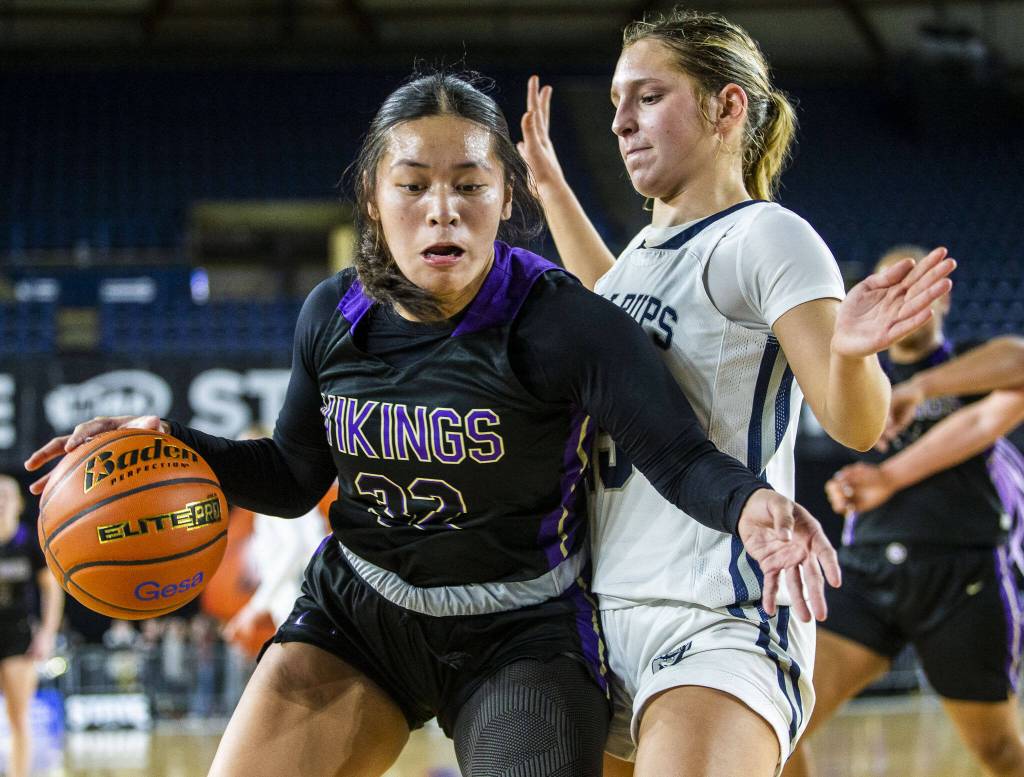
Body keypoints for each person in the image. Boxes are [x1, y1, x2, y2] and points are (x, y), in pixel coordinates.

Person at [25, 71, 838, 777]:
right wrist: (170, 445)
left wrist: (749, 505)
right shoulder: (333, 314)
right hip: (360, 616)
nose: (442, 209)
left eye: (470, 184)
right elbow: (293, 475)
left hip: (520, 631)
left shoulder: (562, 322)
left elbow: (678, 452)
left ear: (505, 196)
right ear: (374, 199)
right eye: (412, 184)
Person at [516, 11, 956, 777]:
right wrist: (552, 186)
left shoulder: (765, 237)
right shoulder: (648, 254)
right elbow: (611, 310)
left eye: (648, 97)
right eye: (617, 101)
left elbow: (857, 422)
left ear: (727, 107)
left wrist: (852, 358)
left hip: (718, 614)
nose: (620, 122)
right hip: (601, 614)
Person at [784, 255, 1024, 777]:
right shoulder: (859, 377)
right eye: (894, 287)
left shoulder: (970, 363)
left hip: (964, 575)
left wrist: (923, 388)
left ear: (943, 297)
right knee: (784, 721)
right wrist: (847, 487)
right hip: (868, 570)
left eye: (920, 288)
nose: (908, 301)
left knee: (1001, 752)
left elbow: (1019, 361)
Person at [0, 474, 63, 777]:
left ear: (18, 503)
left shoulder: (29, 543)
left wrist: (48, 633)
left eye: (6, 495)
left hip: (18, 636)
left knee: (18, 718)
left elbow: (52, 589)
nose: (0, 501)